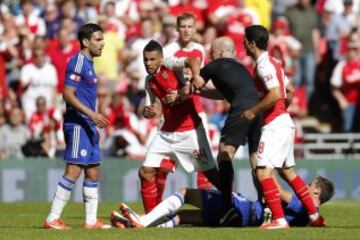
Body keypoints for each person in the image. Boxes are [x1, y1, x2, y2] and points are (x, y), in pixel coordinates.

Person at [241, 25, 324, 229]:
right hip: (285, 121)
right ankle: (314, 217)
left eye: (245, 40)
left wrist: (254, 111)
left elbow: (277, 93)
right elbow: (290, 90)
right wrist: (280, 111)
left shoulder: (263, 65)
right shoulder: (274, 62)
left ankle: (279, 220)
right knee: (288, 171)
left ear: (252, 43)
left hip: (275, 125)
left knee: (262, 173)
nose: (242, 42)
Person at [138, 40, 220, 214]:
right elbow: (151, 108)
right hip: (166, 133)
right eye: (145, 60)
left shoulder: (169, 63)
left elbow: (193, 61)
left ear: (161, 58)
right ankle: (151, 218)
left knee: (211, 173)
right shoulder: (149, 81)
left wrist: (196, 78)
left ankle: (232, 201)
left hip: (190, 130)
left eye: (152, 59)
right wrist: (149, 112)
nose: (148, 63)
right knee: (145, 172)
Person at [187, 36, 261, 225]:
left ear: (219, 52)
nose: (210, 55)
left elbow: (196, 83)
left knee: (224, 153)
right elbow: (221, 92)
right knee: (256, 159)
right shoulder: (240, 69)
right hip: (258, 108)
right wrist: (200, 91)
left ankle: (228, 207)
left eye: (211, 51)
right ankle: (266, 205)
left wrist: (192, 75)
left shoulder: (215, 65)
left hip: (242, 108)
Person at [44, 23, 110, 230]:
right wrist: (92, 115)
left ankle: (91, 221)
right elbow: (67, 94)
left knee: (93, 171)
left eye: (102, 39)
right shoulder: (78, 62)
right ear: (85, 42)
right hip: (78, 123)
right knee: (74, 170)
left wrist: (94, 121)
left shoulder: (89, 64)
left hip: (88, 125)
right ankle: (52, 218)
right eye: (98, 40)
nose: (102, 43)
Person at [112, 176, 334, 228]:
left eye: (310, 184)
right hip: (241, 221)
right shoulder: (308, 218)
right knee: (182, 216)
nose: (303, 185)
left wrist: (269, 167)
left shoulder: (304, 206)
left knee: (185, 192)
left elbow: (274, 186)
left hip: (242, 209)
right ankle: (135, 225)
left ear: (316, 191)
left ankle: (143, 219)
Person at [163, 12, 213, 190]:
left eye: (190, 26)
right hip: (174, 109)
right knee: (165, 160)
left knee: (204, 157)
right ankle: (154, 208)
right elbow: (165, 79)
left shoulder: (200, 49)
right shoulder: (168, 50)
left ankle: (206, 205)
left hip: (195, 107)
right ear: (177, 29)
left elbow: (202, 78)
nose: (186, 30)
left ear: (195, 28)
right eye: (183, 26)